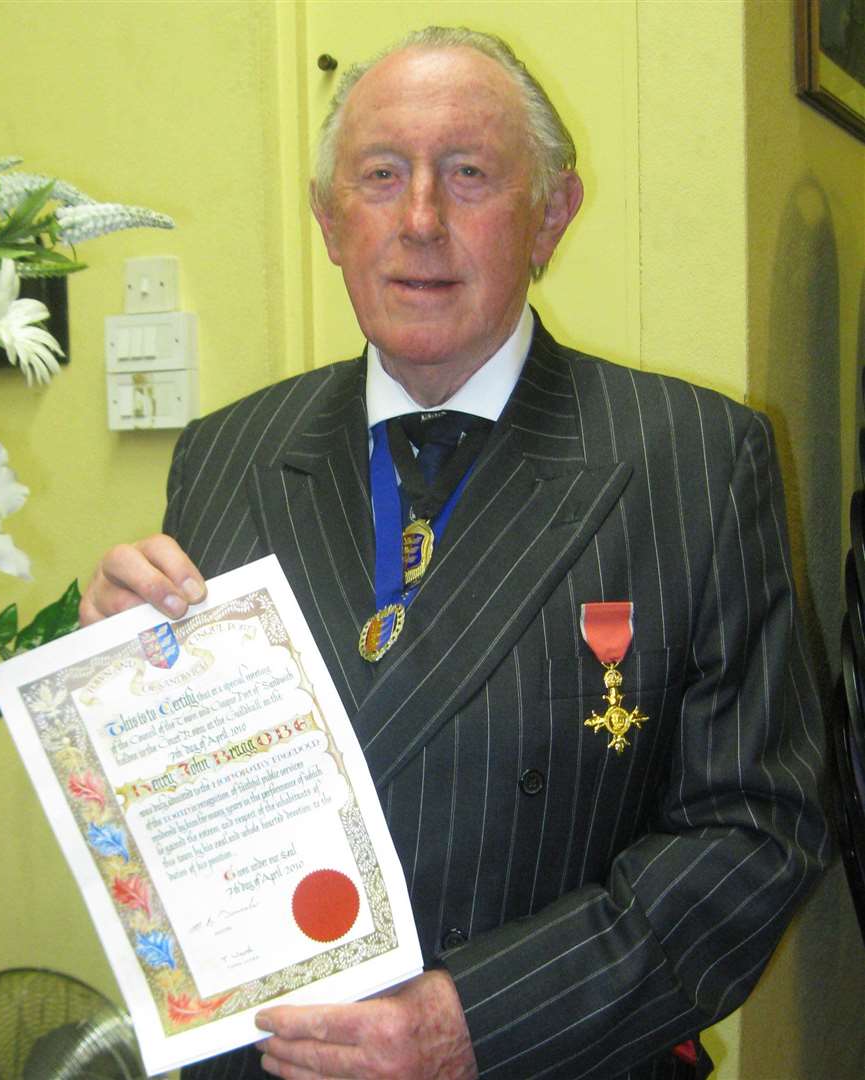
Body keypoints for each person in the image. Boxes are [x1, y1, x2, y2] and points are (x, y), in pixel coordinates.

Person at [80, 26, 829, 1080]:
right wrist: (116, 683)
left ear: (549, 217)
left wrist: (473, 1021)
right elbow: (185, 813)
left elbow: (761, 829)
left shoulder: (693, 459)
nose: (419, 221)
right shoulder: (227, 452)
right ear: (328, 221)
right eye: (379, 177)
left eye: (467, 175)